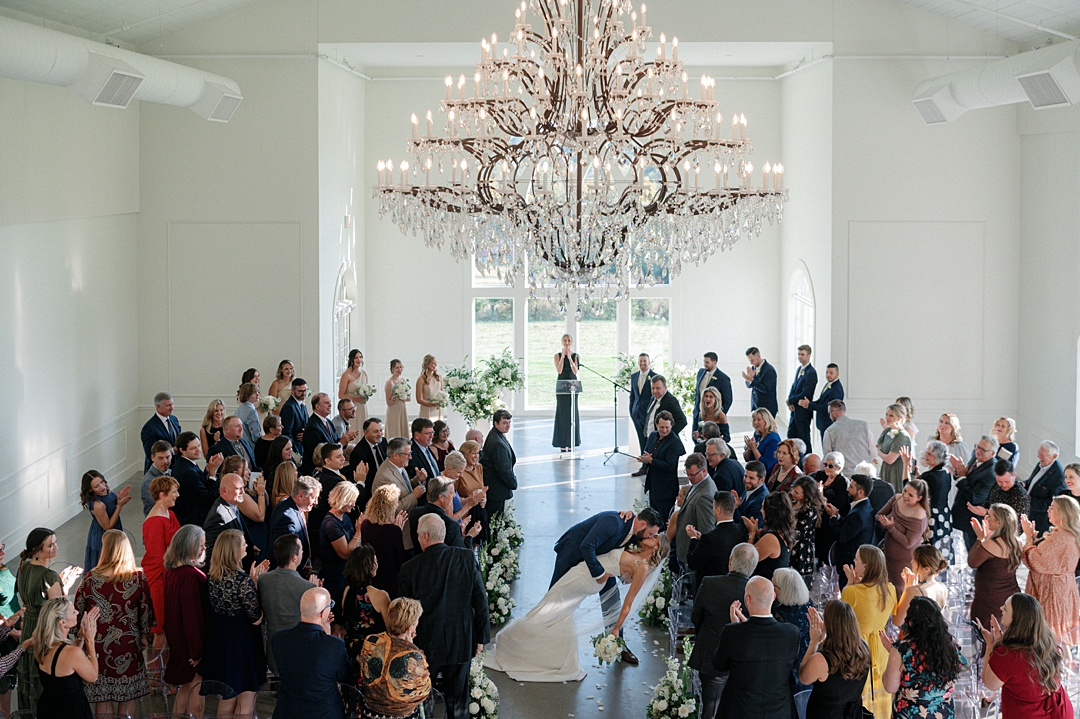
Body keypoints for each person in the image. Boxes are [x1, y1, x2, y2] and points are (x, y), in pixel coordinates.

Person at [486, 531, 668, 683]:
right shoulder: (635, 551)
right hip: (585, 574)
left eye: (654, 537)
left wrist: (616, 628)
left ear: (657, 547)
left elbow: (628, 602)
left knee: (548, 608)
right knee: (559, 613)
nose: (650, 536)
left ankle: (515, 642)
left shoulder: (643, 568)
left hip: (584, 578)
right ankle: (560, 659)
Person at [399, 515, 488, 719]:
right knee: (458, 701)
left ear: (426, 537)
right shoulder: (466, 558)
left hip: (426, 643)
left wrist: (406, 643)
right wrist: (481, 637)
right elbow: (480, 599)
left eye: (419, 535)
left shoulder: (409, 568)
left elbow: (405, 613)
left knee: (424, 697)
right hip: (461, 638)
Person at [548, 507, 663, 664]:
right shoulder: (613, 522)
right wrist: (600, 574)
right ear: (642, 524)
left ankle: (617, 644)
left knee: (612, 601)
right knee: (554, 597)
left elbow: (624, 557)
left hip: (602, 563)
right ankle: (546, 633)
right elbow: (586, 546)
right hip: (572, 553)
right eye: (651, 533)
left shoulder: (636, 533)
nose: (650, 537)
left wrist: (624, 576)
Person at [73, 530, 153, 715]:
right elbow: (146, 613)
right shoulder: (138, 578)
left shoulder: (90, 579)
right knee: (127, 697)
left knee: (103, 696)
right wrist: (143, 636)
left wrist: (82, 637)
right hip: (128, 646)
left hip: (98, 647)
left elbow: (77, 612)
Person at [200, 530, 269, 716]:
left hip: (221, 642)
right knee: (246, 699)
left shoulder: (212, 578)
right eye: (243, 543)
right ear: (233, 550)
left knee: (227, 696)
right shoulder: (243, 581)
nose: (246, 545)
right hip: (243, 644)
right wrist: (255, 585)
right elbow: (257, 619)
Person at [713, 575, 801, 719]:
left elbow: (719, 665)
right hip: (780, 711)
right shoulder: (791, 633)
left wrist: (738, 627)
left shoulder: (733, 632)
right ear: (773, 597)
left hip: (741, 711)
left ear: (748, 598)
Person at [15, 529, 82, 716]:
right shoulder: (49, 576)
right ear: (37, 549)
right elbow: (58, 611)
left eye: (55, 542)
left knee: (29, 678)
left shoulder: (23, 568)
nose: (56, 547)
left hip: (29, 627)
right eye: (51, 545)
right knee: (45, 680)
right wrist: (64, 587)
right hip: (44, 630)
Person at [690, 543, 758, 718]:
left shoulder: (710, 583)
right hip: (744, 663)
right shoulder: (757, 594)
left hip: (712, 657)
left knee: (710, 708)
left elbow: (695, 617)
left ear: (730, 562)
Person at [980, 593, 1073, 719]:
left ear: (1017, 619)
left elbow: (990, 684)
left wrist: (990, 645)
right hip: (1056, 713)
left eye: (1005, 608)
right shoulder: (1048, 644)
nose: (1001, 608)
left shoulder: (1006, 655)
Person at [270, 587, 351, 719]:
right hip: (324, 713)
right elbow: (345, 677)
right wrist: (327, 635)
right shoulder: (334, 645)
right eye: (330, 605)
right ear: (322, 613)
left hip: (287, 712)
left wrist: (325, 634)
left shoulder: (279, 638)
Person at [881, 595, 964, 719]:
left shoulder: (903, 650)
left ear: (910, 622)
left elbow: (890, 687)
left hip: (911, 714)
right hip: (942, 712)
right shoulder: (951, 646)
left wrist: (894, 655)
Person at [840, 545, 897, 718]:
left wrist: (850, 583)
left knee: (860, 699)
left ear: (865, 566)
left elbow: (841, 617)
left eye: (857, 559)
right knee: (881, 698)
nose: (854, 561)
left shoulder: (852, 592)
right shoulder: (890, 589)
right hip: (881, 647)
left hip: (857, 648)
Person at [162, 525, 208, 717]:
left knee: (186, 688)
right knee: (196, 694)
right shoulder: (190, 576)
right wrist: (196, 651)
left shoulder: (172, 572)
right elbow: (192, 617)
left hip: (178, 640)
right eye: (201, 545)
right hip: (190, 645)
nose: (204, 549)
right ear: (189, 546)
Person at [358, 597, 431, 719]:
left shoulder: (370, 641)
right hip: (401, 715)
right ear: (410, 628)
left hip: (370, 713)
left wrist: (409, 645)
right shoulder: (414, 656)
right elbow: (424, 691)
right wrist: (411, 647)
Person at [1020, 495, 1080, 645]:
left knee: (1052, 635)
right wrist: (1033, 540)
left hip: (1053, 592)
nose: (1048, 510)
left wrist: (1028, 538)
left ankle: (1056, 666)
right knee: (1059, 635)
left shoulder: (1062, 538)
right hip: (1059, 588)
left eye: (1052, 508)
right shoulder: (1062, 535)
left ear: (1063, 514)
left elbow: (1036, 561)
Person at [799, 600, 870, 719]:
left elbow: (803, 677)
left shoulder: (821, 660)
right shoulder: (863, 648)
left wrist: (814, 642)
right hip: (852, 714)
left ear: (829, 625)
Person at [258, 534, 316, 676]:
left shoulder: (263, 580)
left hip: (272, 652)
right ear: (294, 558)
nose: (303, 553)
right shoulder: (307, 587)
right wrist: (316, 591)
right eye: (301, 550)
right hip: (298, 653)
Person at [32, 598, 97, 719]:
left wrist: (81, 636)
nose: (78, 612)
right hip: (71, 711)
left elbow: (67, 661)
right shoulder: (73, 653)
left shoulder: (41, 646)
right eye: (73, 612)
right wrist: (90, 640)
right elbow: (93, 676)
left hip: (48, 708)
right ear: (62, 622)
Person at [338, 545, 390, 682]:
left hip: (351, 651)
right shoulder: (381, 596)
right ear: (369, 567)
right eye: (375, 561)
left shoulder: (347, 591)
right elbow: (391, 628)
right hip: (373, 654)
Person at [968, 504, 1023, 628]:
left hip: (989, 598)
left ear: (999, 522)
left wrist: (979, 538)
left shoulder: (991, 544)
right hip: (1010, 595)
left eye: (990, 516)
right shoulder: (1017, 542)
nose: (986, 518)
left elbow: (972, 562)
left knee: (988, 636)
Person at [143, 475, 180, 650]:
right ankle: (157, 671)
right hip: (160, 579)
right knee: (160, 629)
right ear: (161, 495)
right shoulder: (155, 522)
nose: (177, 495)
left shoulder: (169, 513)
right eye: (174, 492)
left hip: (170, 574)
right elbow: (157, 558)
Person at [371, 437, 427, 554]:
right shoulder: (385, 477)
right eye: (407, 454)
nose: (410, 457)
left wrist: (417, 480)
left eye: (410, 453)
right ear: (395, 455)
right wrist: (414, 496)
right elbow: (391, 509)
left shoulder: (398, 466)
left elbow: (402, 488)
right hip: (398, 534)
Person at [875, 479, 930, 597]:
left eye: (910, 495)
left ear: (919, 498)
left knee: (899, 592)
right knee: (886, 589)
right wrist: (882, 523)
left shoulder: (919, 515)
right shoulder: (897, 499)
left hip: (903, 561)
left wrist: (890, 527)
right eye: (905, 491)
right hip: (887, 553)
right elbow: (878, 516)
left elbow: (908, 543)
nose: (905, 496)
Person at [686, 491, 749, 593]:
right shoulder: (740, 530)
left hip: (709, 589)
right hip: (731, 587)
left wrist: (693, 538)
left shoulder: (709, 538)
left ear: (718, 510)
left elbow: (692, 563)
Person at [950, 434, 1000, 551]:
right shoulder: (976, 458)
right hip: (965, 517)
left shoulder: (991, 474)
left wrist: (962, 477)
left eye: (983, 450)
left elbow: (974, 497)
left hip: (975, 521)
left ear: (992, 454)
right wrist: (959, 472)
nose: (978, 451)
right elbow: (966, 476)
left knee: (974, 553)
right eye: (977, 447)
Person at [824, 475, 875, 589]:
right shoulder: (866, 506)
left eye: (851, 487)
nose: (847, 489)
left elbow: (842, 536)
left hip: (849, 559)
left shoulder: (858, 514)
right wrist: (837, 516)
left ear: (860, 492)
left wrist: (832, 518)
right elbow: (851, 528)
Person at [319, 481, 365, 606]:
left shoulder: (344, 517)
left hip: (345, 574)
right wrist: (358, 532)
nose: (354, 505)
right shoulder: (331, 524)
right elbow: (345, 553)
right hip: (334, 577)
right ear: (343, 499)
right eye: (352, 501)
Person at [669, 453, 717, 569]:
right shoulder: (698, 484)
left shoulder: (705, 495)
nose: (690, 478)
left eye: (693, 475)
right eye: (688, 474)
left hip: (692, 555)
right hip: (685, 550)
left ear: (704, 471)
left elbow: (706, 530)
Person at [906, 440, 953, 560]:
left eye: (929, 454)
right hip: (944, 516)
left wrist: (906, 465)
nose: (925, 456)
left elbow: (909, 490)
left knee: (929, 553)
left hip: (932, 517)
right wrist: (919, 477)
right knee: (941, 551)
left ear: (937, 457)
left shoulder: (929, 476)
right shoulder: (946, 473)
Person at [409, 477, 482, 550]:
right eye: (451, 492)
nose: (454, 496)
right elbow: (463, 556)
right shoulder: (451, 525)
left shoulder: (414, 513)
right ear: (441, 497)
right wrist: (470, 535)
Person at [361, 485, 408, 597]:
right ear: (389, 506)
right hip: (389, 580)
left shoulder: (365, 524)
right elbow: (399, 562)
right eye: (396, 502)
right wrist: (398, 531)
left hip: (370, 578)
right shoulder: (393, 531)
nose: (397, 505)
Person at [79, 470, 130, 573]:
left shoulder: (106, 491)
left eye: (102, 482)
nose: (102, 487)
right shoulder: (97, 504)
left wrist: (118, 499)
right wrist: (119, 506)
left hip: (114, 528)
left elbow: (111, 503)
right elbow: (108, 527)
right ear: (90, 490)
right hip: (103, 535)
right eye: (96, 486)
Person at [637, 375, 688, 476]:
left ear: (665, 388)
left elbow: (682, 420)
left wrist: (667, 434)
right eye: (653, 388)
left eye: (658, 388)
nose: (655, 391)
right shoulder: (653, 398)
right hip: (653, 439)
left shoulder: (670, 401)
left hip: (664, 442)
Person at [268, 475, 320, 574]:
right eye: (313, 498)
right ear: (300, 495)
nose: (316, 502)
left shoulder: (285, 503)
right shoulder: (287, 518)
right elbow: (285, 555)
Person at [773, 567, 813, 692]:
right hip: (809, 665)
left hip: (791, 674)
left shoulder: (780, 614)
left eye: (773, 584)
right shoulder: (809, 604)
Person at [641, 411, 687, 522]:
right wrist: (646, 458)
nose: (664, 430)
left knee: (663, 520)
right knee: (653, 518)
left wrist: (651, 460)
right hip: (653, 485)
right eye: (661, 427)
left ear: (671, 426)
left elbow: (670, 466)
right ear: (656, 425)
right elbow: (647, 450)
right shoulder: (652, 436)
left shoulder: (674, 442)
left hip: (666, 489)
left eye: (667, 427)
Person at [172, 431, 224, 526]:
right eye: (193, 448)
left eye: (199, 446)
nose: (198, 450)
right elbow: (208, 498)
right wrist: (213, 472)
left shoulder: (186, 463)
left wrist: (208, 471)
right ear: (182, 450)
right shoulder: (186, 471)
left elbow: (199, 484)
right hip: (194, 519)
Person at [892, 544, 948, 627]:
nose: (912, 562)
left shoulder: (914, 591)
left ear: (926, 569)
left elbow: (897, 622)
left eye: (915, 560)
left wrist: (908, 587)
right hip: (935, 637)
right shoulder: (942, 587)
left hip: (918, 638)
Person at [203, 472, 252, 563]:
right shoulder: (219, 515)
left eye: (243, 488)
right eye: (239, 489)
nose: (243, 492)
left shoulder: (231, 505)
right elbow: (210, 550)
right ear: (225, 491)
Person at [745, 491, 794, 580]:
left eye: (763, 508)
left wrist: (752, 534)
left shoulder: (771, 539)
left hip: (762, 587)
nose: (761, 510)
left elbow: (747, 561)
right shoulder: (785, 531)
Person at [481, 408, 518, 518]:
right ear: (495, 423)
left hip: (495, 490)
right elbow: (503, 469)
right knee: (496, 522)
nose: (508, 426)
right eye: (504, 423)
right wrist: (513, 483)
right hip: (496, 491)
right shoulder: (497, 443)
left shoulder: (497, 435)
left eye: (509, 423)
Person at [799, 363, 844, 451]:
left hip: (828, 423)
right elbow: (821, 401)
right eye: (827, 372)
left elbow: (827, 408)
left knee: (828, 449)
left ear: (837, 374)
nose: (828, 375)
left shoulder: (836, 390)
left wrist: (809, 404)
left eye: (831, 373)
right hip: (823, 423)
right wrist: (809, 403)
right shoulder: (828, 384)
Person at [815, 453, 849, 565]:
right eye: (825, 464)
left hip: (831, 522)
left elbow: (839, 504)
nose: (826, 468)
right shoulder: (821, 476)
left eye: (830, 466)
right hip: (819, 518)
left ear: (839, 468)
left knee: (827, 552)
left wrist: (821, 495)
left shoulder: (842, 482)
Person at [1026, 440, 1065, 534]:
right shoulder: (1042, 464)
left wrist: (1028, 501)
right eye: (1038, 452)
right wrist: (1024, 484)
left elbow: (1052, 503)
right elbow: (1032, 481)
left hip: (1041, 521)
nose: (1038, 456)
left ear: (1054, 456)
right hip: (1030, 514)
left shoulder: (1058, 476)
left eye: (1042, 454)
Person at [821, 400, 876, 469]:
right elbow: (873, 450)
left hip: (845, 473)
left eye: (829, 413)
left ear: (834, 412)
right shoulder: (863, 425)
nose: (829, 416)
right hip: (865, 471)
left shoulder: (829, 431)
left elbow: (828, 456)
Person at [454, 440, 489, 541]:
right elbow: (453, 495)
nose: (476, 456)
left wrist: (484, 499)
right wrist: (469, 499)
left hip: (478, 510)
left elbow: (482, 486)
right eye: (473, 453)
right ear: (465, 454)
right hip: (465, 512)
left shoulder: (478, 467)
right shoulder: (459, 471)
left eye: (477, 453)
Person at [694, 352, 733, 440]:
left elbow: (728, 400)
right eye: (704, 362)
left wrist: (716, 413)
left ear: (714, 362)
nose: (705, 365)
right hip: (699, 412)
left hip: (714, 413)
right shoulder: (700, 372)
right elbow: (698, 394)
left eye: (707, 362)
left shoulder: (723, 378)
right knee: (697, 438)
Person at [552, 334, 581, 450]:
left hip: (573, 385)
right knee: (562, 412)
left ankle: (572, 442)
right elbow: (559, 370)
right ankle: (562, 442)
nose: (567, 342)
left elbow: (575, 370)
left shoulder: (575, 356)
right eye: (565, 340)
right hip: (561, 385)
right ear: (562, 342)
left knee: (572, 412)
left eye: (569, 340)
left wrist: (569, 358)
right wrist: (563, 357)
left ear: (572, 342)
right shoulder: (557, 355)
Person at [785, 344, 818, 449]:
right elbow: (794, 386)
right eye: (799, 354)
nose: (800, 357)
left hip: (803, 412)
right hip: (795, 410)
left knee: (804, 439)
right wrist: (790, 402)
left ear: (809, 355)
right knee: (791, 436)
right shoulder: (799, 368)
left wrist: (791, 399)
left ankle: (808, 462)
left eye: (802, 354)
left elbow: (805, 393)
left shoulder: (811, 373)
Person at [790, 475, 823, 577]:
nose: (792, 493)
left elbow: (798, 534)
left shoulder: (810, 511)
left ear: (807, 496)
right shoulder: (793, 502)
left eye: (796, 493)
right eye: (793, 490)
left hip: (799, 551)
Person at [141, 391, 180, 471]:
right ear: (158, 406)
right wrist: (173, 450)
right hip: (159, 472)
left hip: (175, 468)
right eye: (168, 405)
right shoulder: (149, 427)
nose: (172, 408)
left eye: (172, 404)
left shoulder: (174, 419)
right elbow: (151, 454)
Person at [876, 403, 911, 492]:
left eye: (891, 415)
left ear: (900, 418)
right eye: (887, 414)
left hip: (896, 472)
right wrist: (878, 450)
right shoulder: (887, 431)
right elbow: (877, 446)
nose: (887, 417)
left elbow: (890, 459)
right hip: (885, 469)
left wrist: (878, 452)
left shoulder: (902, 436)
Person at [629, 353, 657, 454]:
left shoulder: (655, 377)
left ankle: (649, 463)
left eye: (645, 361)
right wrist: (631, 411)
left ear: (649, 362)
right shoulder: (634, 376)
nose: (643, 363)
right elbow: (632, 395)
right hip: (636, 414)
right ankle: (643, 462)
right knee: (641, 439)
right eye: (641, 361)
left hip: (648, 413)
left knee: (649, 440)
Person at [741, 346, 779, 416]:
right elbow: (749, 385)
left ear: (758, 356)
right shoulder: (753, 367)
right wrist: (749, 379)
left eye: (752, 360)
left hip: (767, 408)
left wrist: (751, 380)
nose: (751, 363)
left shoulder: (769, 370)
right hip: (756, 406)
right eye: (749, 361)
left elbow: (766, 389)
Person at [339, 349, 370, 431]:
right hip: (351, 407)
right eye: (356, 357)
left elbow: (367, 390)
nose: (359, 359)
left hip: (362, 407)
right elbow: (341, 395)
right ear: (352, 359)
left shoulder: (364, 374)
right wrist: (356, 399)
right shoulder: (346, 375)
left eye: (360, 357)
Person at [742, 407, 781, 474]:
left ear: (767, 421)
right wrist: (749, 448)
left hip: (767, 475)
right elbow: (747, 459)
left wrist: (754, 448)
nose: (755, 422)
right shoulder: (757, 434)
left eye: (759, 420)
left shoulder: (773, 439)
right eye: (754, 420)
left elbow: (765, 465)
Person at [278, 377, 310, 457]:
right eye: (300, 391)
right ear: (292, 390)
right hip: (296, 448)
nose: (304, 393)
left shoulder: (302, 405)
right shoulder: (289, 407)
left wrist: (306, 434)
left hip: (303, 447)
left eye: (305, 390)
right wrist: (295, 452)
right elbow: (286, 432)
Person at [140, 439, 173, 516]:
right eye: (160, 458)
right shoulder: (148, 482)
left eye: (167, 457)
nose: (165, 461)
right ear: (152, 457)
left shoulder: (171, 473)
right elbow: (162, 505)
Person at [734, 461, 769, 528]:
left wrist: (736, 508)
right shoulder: (751, 487)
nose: (746, 480)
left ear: (761, 480)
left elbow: (747, 527)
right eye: (745, 476)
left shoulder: (760, 501)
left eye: (751, 478)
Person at [407, 417, 441, 482]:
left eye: (432, 432)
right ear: (416, 435)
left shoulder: (427, 448)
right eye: (428, 433)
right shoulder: (410, 452)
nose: (432, 436)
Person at [384, 359, 411, 439]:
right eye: (397, 368)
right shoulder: (389, 383)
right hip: (394, 411)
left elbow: (409, 398)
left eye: (401, 367)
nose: (400, 370)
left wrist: (403, 396)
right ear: (392, 369)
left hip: (402, 409)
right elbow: (388, 402)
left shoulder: (402, 380)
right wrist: (394, 398)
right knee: (394, 432)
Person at [415, 353, 445, 422]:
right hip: (427, 410)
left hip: (438, 410)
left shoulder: (439, 377)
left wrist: (442, 401)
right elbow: (419, 399)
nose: (436, 365)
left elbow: (442, 393)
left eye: (436, 363)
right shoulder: (421, 379)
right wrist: (432, 404)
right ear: (427, 364)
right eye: (433, 363)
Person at [236, 382, 262, 446]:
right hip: (250, 446)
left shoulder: (239, 409)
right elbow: (256, 436)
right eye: (254, 393)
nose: (257, 394)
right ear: (247, 395)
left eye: (258, 392)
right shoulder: (251, 411)